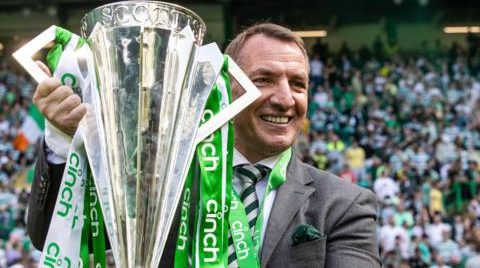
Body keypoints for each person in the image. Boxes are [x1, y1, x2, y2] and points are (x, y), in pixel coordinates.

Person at [27, 23, 381, 267]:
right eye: (264, 80)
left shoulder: (344, 204)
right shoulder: (161, 179)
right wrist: (62, 139)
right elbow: (50, 237)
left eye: (298, 84)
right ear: (225, 87)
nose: (285, 98)